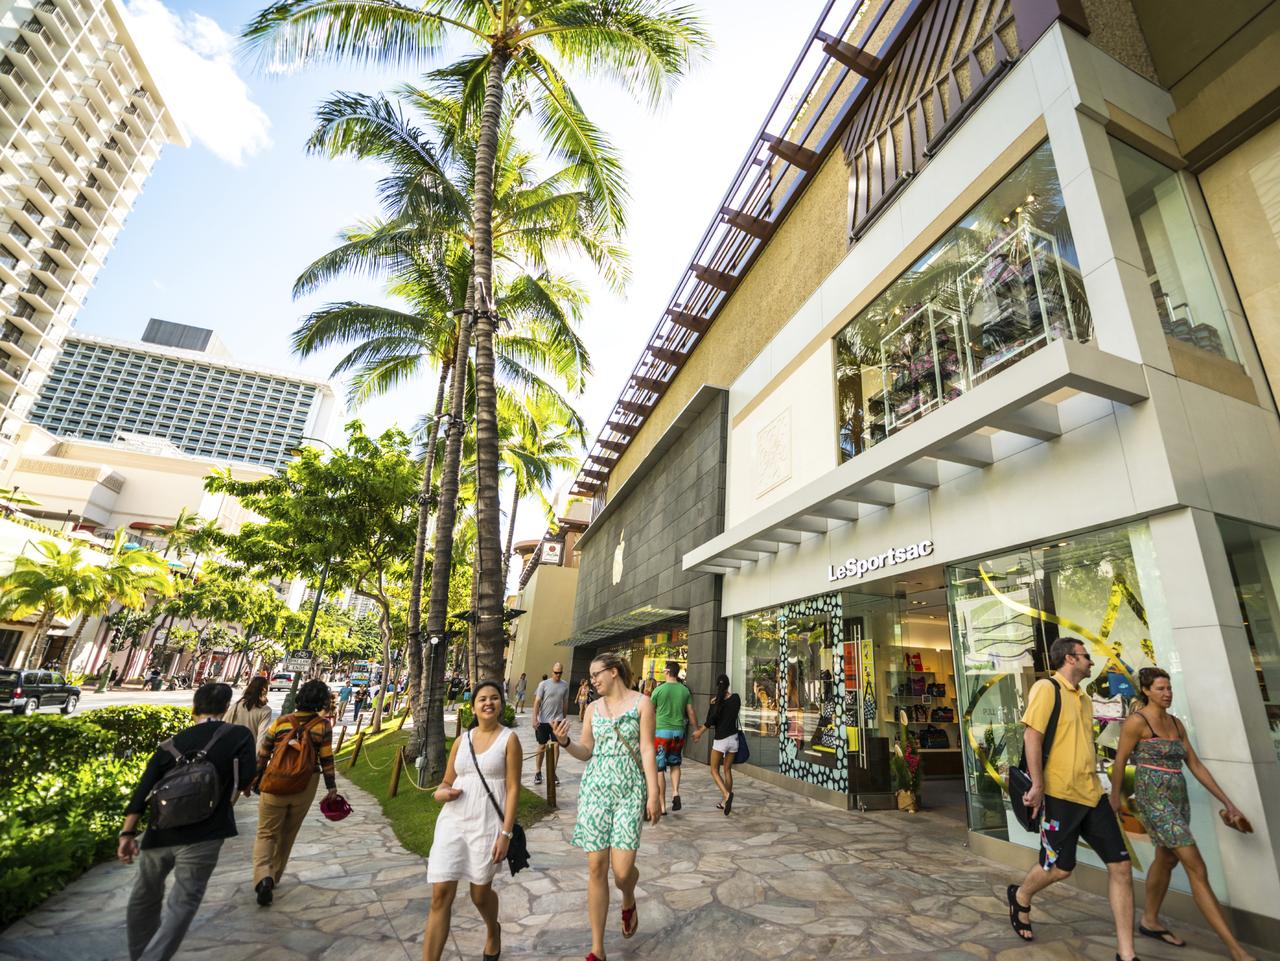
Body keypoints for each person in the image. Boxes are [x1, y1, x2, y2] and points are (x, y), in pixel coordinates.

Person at [1110, 668, 1257, 961]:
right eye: (1161, 688)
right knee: (1197, 868)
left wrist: (1228, 803)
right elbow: (1120, 760)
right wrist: (1116, 796)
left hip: (1179, 799)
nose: (1167, 693)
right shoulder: (1137, 723)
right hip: (1154, 800)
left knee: (1167, 857)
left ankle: (1150, 920)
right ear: (1147, 691)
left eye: (1169, 688)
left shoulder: (1176, 724)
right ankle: (1236, 949)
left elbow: (1196, 765)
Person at [1006, 637, 1136, 961]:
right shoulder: (1046, 690)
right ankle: (1021, 894)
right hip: (1060, 795)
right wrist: (1037, 785)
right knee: (1059, 868)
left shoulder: (1085, 699)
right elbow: (1031, 737)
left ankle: (1127, 953)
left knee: (1120, 866)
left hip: (1092, 795)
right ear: (1068, 658)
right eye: (1085, 656)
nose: (1091, 662)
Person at [118, 683, 255, 961]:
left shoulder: (172, 743)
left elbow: (143, 791)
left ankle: (139, 954)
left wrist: (127, 832)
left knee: (144, 896)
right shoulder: (239, 736)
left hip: (160, 831)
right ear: (226, 708)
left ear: (194, 707)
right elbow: (247, 779)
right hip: (205, 834)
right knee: (184, 902)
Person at [551, 652, 660, 961]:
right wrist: (566, 743)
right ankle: (597, 948)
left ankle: (628, 897)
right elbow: (587, 751)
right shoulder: (593, 709)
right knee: (596, 867)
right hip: (595, 791)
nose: (593, 680)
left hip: (629, 791)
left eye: (597, 674)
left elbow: (647, 749)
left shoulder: (642, 704)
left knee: (622, 872)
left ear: (614, 672)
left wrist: (653, 794)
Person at [423, 680, 522, 961]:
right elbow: (445, 780)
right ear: (473, 706)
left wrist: (506, 834)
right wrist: (442, 792)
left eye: (494, 698)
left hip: (487, 823)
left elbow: (514, 788)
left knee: (480, 894)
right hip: (453, 822)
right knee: (440, 894)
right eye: (482, 699)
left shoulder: (509, 740)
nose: (488, 703)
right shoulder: (461, 741)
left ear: (501, 704)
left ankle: (493, 929)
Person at [249, 679, 338, 906]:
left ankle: (263, 878)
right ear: (321, 701)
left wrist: (256, 779)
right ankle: (275, 875)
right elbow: (326, 758)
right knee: (288, 833)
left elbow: (263, 753)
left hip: (275, 782)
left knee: (266, 832)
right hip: (305, 783)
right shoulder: (322, 726)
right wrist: (331, 787)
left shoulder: (281, 722)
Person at [650, 661, 698, 815]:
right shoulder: (684, 691)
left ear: (667, 671)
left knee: (659, 769)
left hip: (661, 732)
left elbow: (649, 712)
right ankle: (676, 792)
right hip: (678, 732)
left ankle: (663, 806)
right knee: (675, 765)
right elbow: (690, 712)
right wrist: (696, 729)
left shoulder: (658, 690)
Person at [692, 674, 740, 815]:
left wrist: (699, 733)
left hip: (721, 740)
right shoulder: (736, 698)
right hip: (734, 739)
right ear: (728, 684)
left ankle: (726, 795)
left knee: (714, 770)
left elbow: (709, 721)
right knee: (727, 770)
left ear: (717, 686)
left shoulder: (715, 702)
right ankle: (725, 802)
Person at [532, 662, 569, 787]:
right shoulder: (543, 684)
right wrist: (534, 719)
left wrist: (564, 718)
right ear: (552, 671)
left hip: (557, 720)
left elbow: (565, 702)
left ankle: (552, 773)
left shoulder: (565, 685)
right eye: (556, 672)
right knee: (542, 746)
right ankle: (538, 772)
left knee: (556, 747)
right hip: (543, 720)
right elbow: (537, 702)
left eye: (560, 673)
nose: (558, 675)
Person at [224, 676, 274, 749]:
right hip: (248, 749)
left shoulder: (238, 704)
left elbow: (224, 724)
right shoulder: (266, 710)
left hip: (231, 747)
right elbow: (262, 735)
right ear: (264, 690)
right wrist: (256, 757)